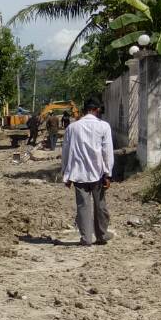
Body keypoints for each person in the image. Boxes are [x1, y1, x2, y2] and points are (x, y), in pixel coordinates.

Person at [61, 97, 114, 246]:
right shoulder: (104, 126)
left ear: (84, 110)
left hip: (78, 174)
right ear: (97, 110)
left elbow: (65, 152)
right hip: (98, 174)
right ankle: (102, 235)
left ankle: (86, 239)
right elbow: (107, 151)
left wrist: (66, 174)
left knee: (83, 207)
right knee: (100, 206)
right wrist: (108, 173)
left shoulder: (72, 128)